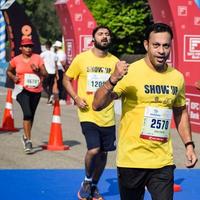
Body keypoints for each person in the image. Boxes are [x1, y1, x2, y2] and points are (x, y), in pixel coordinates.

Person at [92, 23, 198, 200]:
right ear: (146, 45)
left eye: (165, 45)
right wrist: (112, 80)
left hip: (162, 160)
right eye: (156, 45)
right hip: (131, 160)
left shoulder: (176, 77)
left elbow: (180, 111)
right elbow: (97, 104)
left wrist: (189, 145)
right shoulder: (130, 73)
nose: (161, 51)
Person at [63, 25, 118, 200]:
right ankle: (87, 181)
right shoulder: (82, 59)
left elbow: (120, 87)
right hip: (87, 112)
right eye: (100, 34)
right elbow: (66, 79)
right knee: (94, 149)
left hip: (107, 114)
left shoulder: (115, 62)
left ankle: (94, 186)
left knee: (103, 153)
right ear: (93, 38)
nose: (104, 36)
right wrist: (76, 98)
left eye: (107, 34)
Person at [7, 38, 47, 154]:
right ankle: (29, 141)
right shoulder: (16, 60)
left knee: (31, 116)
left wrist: (38, 70)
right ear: (21, 48)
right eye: (26, 46)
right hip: (21, 90)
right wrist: (13, 77)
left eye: (30, 46)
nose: (28, 48)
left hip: (36, 90)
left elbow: (46, 73)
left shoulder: (37, 58)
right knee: (27, 113)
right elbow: (9, 71)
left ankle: (25, 136)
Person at [40, 40, 58, 104]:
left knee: (44, 86)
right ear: (50, 46)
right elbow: (56, 65)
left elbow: (40, 63)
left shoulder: (42, 54)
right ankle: (49, 100)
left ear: (46, 46)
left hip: (46, 72)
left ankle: (50, 95)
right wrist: (57, 74)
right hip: (53, 72)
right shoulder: (54, 54)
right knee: (50, 86)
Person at [53, 40, 67, 105]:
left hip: (59, 69)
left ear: (57, 47)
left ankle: (62, 99)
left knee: (60, 84)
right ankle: (61, 98)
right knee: (59, 84)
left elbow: (62, 62)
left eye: (55, 46)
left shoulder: (60, 53)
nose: (55, 47)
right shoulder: (59, 52)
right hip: (58, 69)